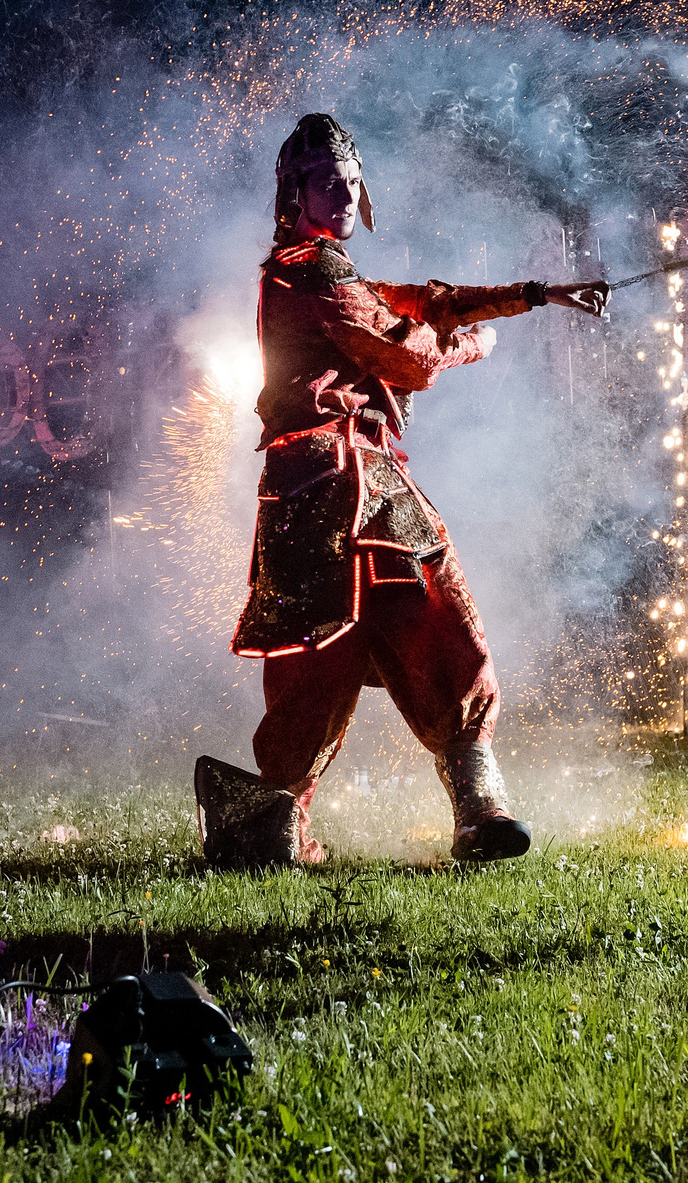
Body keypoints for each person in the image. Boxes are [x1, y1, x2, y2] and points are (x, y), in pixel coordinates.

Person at [198, 114, 608, 867]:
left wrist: (538, 294)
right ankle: (278, 823)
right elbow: (405, 351)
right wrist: (468, 346)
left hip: (310, 493)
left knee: (411, 636)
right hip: (342, 483)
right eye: (329, 183)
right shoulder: (309, 269)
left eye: (353, 182)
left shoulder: (324, 270)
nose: (345, 194)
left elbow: (422, 300)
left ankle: (465, 814)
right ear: (297, 192)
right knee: (364, 648)